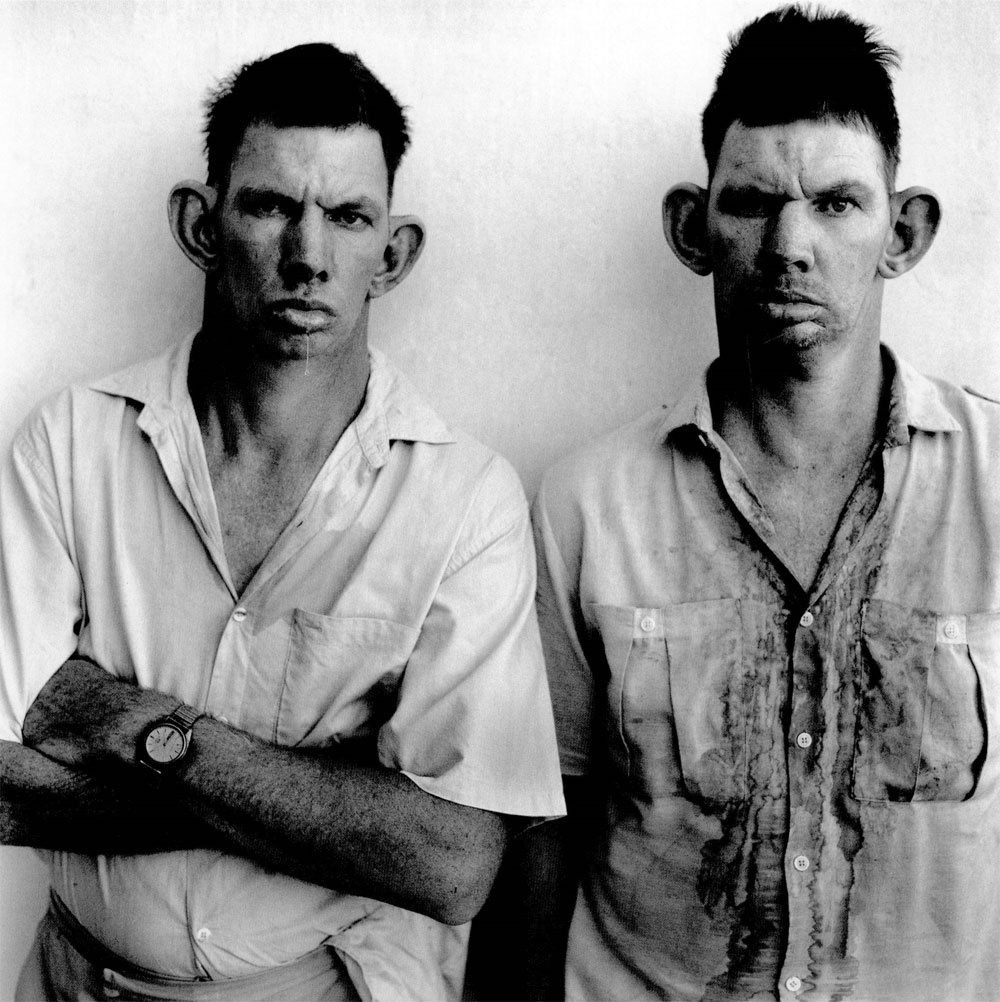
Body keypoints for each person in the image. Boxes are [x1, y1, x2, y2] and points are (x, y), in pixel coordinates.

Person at [0, 42, 565, 1002]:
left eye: (348, 217)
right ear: (201, 225)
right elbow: (5, 793)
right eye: (270, 207)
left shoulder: (465, 498)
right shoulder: (70, 443)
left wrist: (134, 725)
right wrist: (334, 803)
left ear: (394, 254)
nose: (308, 257)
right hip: (77, 983)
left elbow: (451, 863)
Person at [478, 6, 999, 1001]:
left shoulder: (994, 483)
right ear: (693, 229)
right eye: (753, 203)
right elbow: (542, 826)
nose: (790, 244)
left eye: (837, 203)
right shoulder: (589, 503)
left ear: (903, 233)